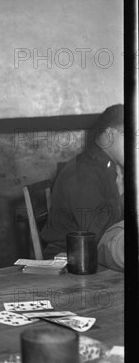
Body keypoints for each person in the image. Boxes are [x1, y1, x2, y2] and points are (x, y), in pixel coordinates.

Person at [40, 104, 124, 259]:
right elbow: (97, 233)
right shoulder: (83, 171)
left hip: (93, 250)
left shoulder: (106, 166)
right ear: (109, 135)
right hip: (69, 257)